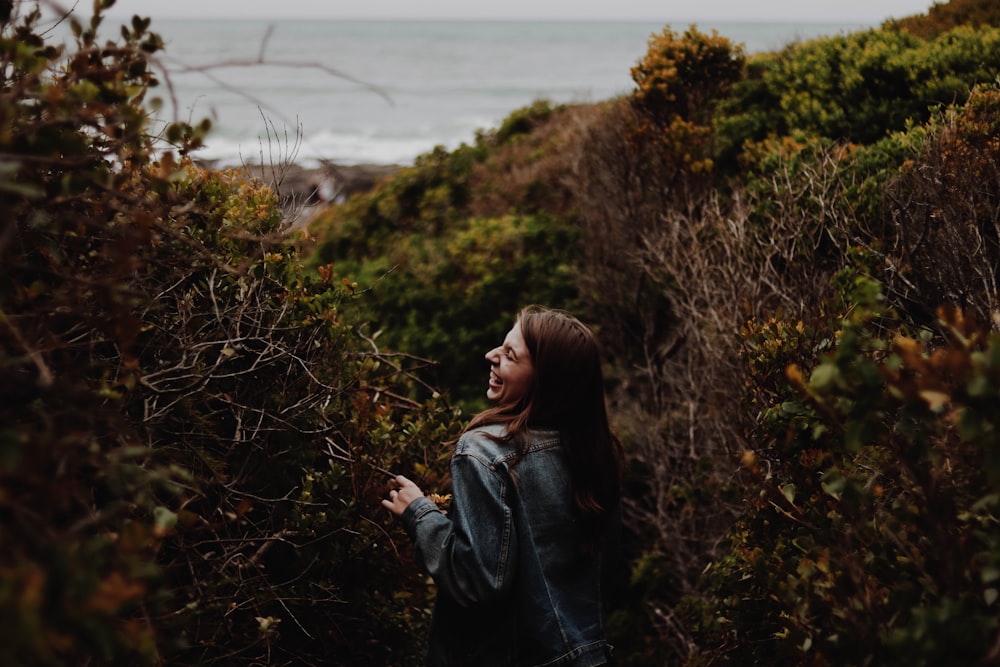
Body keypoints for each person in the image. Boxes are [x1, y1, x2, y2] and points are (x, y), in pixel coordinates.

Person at [382, 305, 624, 666]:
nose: (491, 356)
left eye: (510, 355)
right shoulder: (596, 453)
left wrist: (420, 515)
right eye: (502, 346)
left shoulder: (484, 452)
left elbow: (478, 582)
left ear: (544, 380)